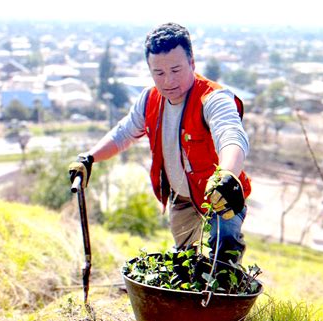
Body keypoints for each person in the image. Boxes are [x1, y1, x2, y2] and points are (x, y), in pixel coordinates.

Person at [69, 22, 251, 264]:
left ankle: (226, 299)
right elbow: (123, 133)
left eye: (176, 70)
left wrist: (227, 176)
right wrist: (89, 158)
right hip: (182, 198)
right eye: (159, 73)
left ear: (192, 62)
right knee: (184, 263)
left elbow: (230, 135)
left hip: (222, 195)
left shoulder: (213, 98)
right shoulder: (150, 99)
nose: (168, 81)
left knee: (224, 260)